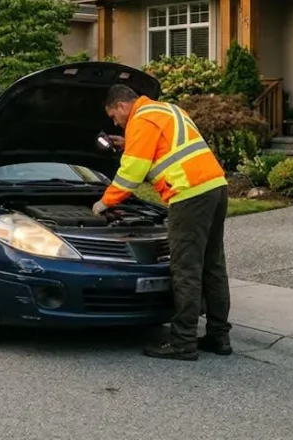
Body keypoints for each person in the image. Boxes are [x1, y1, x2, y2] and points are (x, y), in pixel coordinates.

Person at [93, 84, 232, 361]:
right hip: (215, 187)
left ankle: (183, 342)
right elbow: (166, 148)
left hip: (189, 194)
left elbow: (131, 173)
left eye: (113, 116)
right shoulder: (166, 109)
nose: (115, 123)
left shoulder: (141, 119)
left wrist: (104, 202)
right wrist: (129, 144)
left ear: (121, 106)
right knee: (213, 265)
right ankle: (219, 336)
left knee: (186, 269)